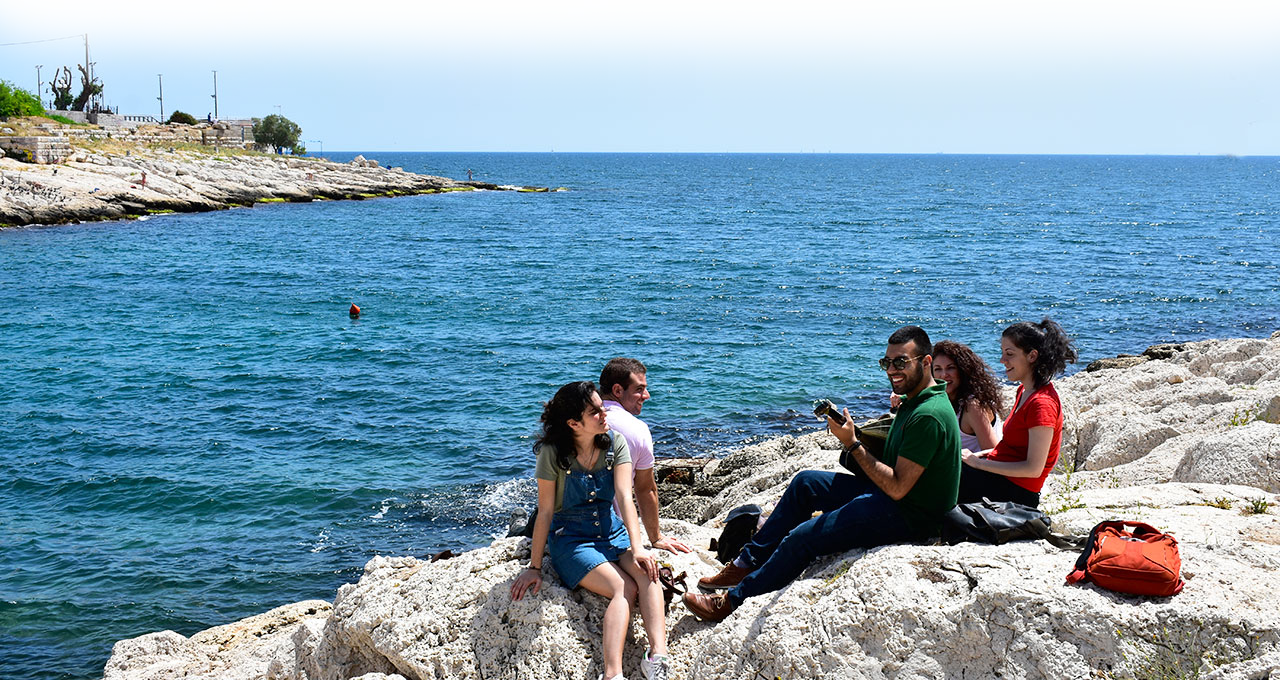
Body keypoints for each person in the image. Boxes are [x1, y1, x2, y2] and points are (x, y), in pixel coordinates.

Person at [683, 326, 961, 622]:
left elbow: (897, 488)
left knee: (803, 537)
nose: (892, 370)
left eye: (900, 362)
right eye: (886, 363)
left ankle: (731, 603)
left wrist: (852, 444)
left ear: (926, 362)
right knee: (806, 483)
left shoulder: (928, 414)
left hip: (911, 516)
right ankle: (745, 563)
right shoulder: (914, 401)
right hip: (895, 498)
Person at [510, 381, 671, 680]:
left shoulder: (615, 443)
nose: (604, 414)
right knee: (624, 587)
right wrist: (534, 567)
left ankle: (657, 657)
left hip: (612, 531)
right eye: (594, 411)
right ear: (574, 423)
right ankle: (612, 674)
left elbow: (625, 495)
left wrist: (638, 548)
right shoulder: (552, 453)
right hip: (571, 539)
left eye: (601, 406)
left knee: (649, 574)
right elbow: (545, 511)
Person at [958, 319, 1077, 507]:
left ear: (1032, 356)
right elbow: (1013, 451)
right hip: (1000, 480)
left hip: (1016, 494)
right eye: (1003, 353)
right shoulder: (1024, 391)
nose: (1002, 360)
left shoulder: (1042, 404)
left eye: (1009, 354)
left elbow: (1033, 468)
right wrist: (978, 455)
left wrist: (977, 463)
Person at [599, 358, 692, 554]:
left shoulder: (577, 420)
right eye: (639, 389)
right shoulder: (637, 430)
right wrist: (656, 538)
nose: (646, 396)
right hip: (612, 531)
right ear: (617, 390)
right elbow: (645, 488)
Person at [931, 340, 1004, 454]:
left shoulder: (973, 406)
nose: (944, 375)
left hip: (977, 469)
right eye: (938, 369)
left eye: (950, 368)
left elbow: (993, 453)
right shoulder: (943, 400)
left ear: (963, 370)